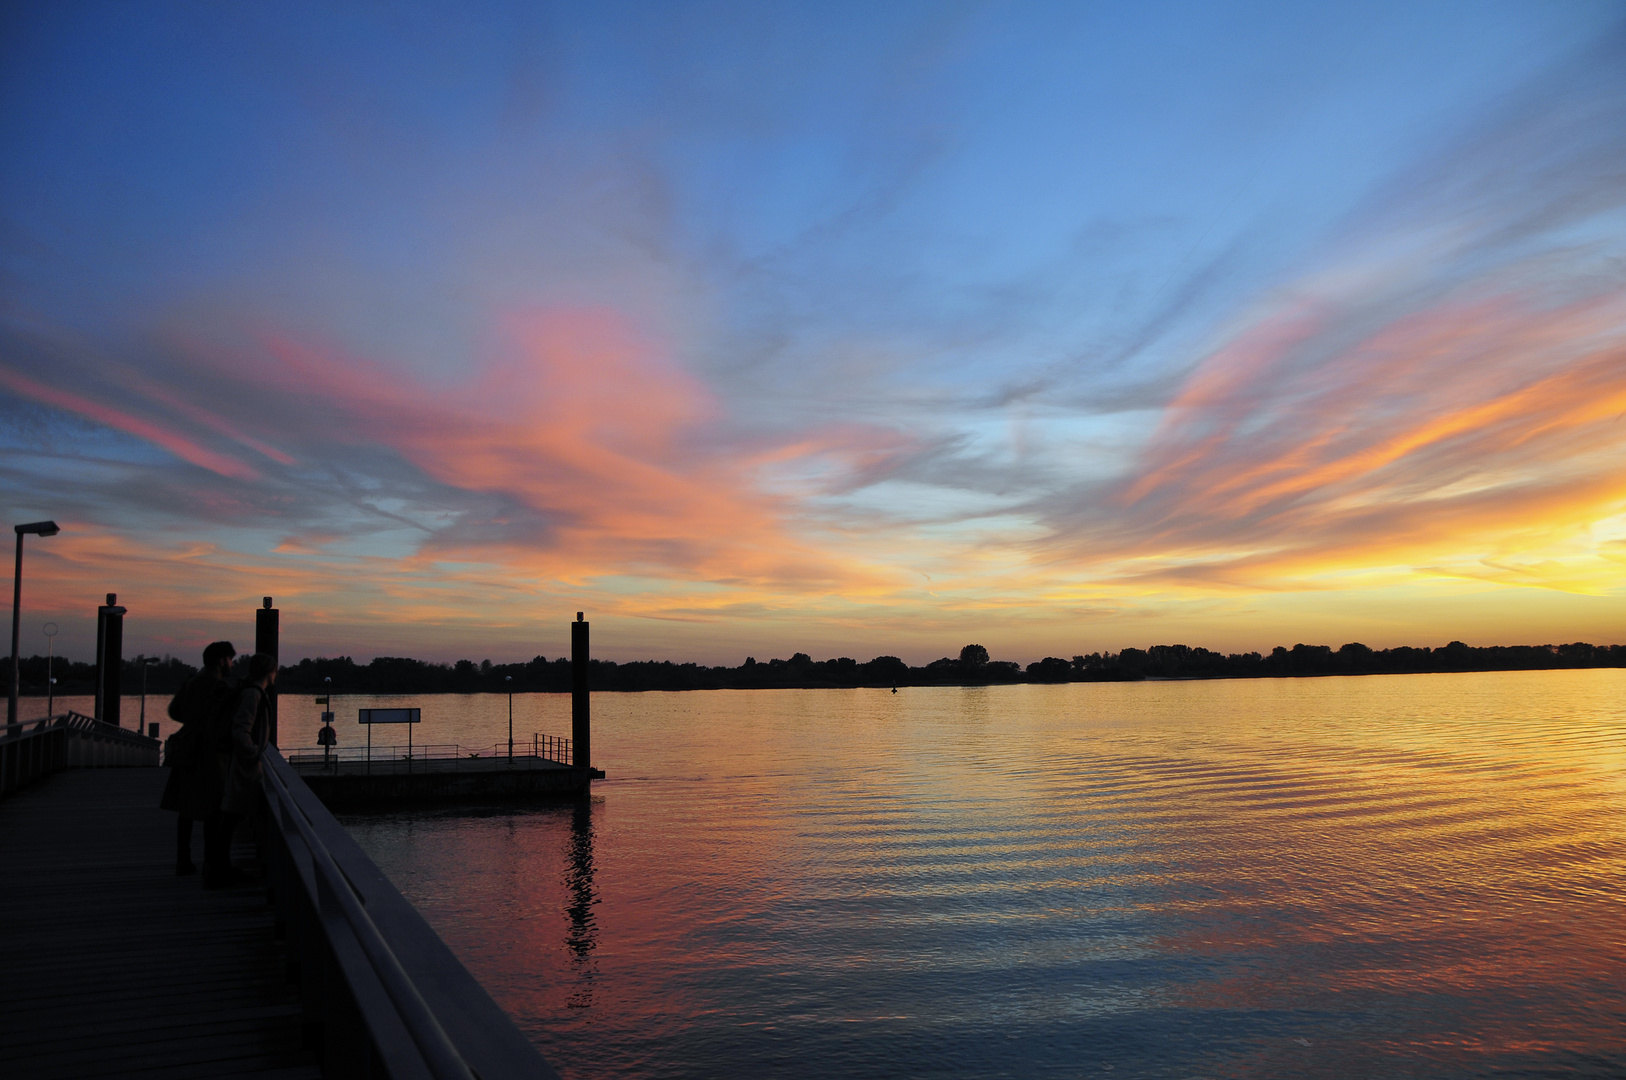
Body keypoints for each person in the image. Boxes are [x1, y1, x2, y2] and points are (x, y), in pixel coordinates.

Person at [158, 641, 236, 875]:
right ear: (221, 660)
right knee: (213, 809)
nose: (232, 664)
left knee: (186, 808)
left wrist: (192, 721)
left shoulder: (191, 682)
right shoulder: (220, 687)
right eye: (231, 659)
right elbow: (228, 720)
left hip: (186, 750)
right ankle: (211, 862)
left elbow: (174, 711)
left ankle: (183, 860)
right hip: (210, 754)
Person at [203, 651, 275, 889]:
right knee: (230, 818)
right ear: (269, 672)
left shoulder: (253, 693)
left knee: (231, 818)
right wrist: (254, 753)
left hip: (245, 765)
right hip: (244, 768)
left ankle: (219, 868)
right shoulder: (253, 695)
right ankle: (217, 870)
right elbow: (240, 731)